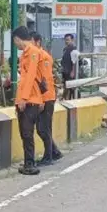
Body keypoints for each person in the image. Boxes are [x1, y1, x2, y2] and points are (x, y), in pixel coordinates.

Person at [12, 26, 45, 175]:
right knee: (25, 133)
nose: (15, 45)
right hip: (26, 99)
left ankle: (30, 164)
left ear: (18, 39)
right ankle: (27, 163)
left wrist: (24, 99)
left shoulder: (33, 53)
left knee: (27, 133)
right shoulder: (25, 55)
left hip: (30, 100)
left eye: (15, 42)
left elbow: (31, 76)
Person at [31, 32, 63, 166]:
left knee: (43, 128)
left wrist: (42, 100)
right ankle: (54, 152)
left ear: (37, 42)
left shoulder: (42, 57)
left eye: (30, 41)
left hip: (46, 97)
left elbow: (44, 80)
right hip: (46, 96)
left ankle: (49, 156)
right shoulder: (42, 56)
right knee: (44, 127)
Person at [61, 34, 79, 100]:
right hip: (65, 71)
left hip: (70, 72)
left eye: (68, 40)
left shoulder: (74, 49)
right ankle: (66, 99)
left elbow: (74, 62)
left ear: (72, 40)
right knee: (66, 86)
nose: (66, 41)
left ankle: (75, 100)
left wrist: (73, 71)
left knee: (72, 88)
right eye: (65, 40)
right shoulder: (65, 49)